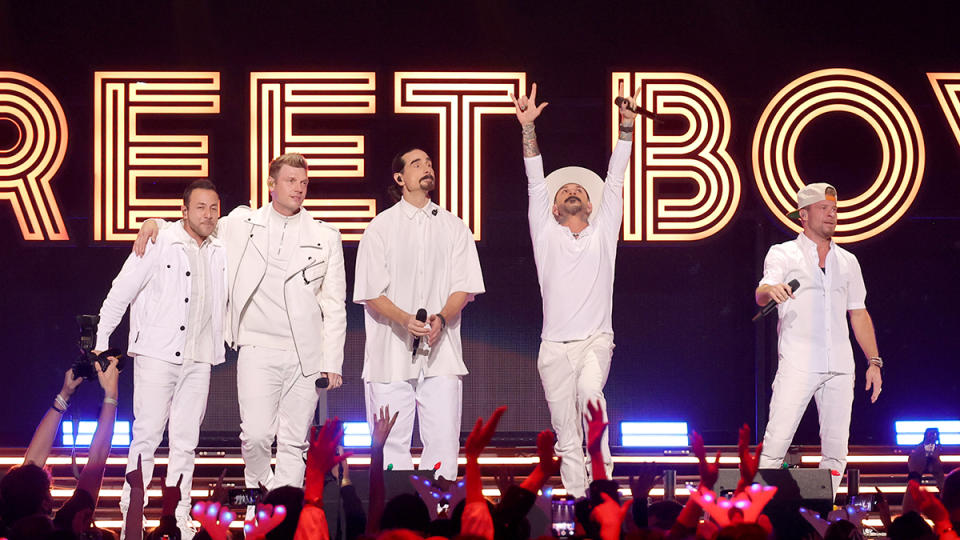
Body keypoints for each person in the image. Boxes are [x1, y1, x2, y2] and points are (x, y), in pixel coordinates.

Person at [135, 153, 347, 493]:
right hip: (256, 345)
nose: (299, 189)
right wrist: (155, 223)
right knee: (257, 436)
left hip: (306, 353)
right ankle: (261, 501)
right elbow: (196, 223)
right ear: (271, 184)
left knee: (294, 442)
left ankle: (284, 516)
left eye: (304, 182)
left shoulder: (326, 235)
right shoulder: (242, 223)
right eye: (291, 181)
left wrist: (331, 360)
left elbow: (335, 304)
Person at [510, 82, 637, 497]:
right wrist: (528, 128)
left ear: (590, 203)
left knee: (590, 397)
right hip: (553, 348)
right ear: (552, 206)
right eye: (564, 190)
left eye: (578, 190)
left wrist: (626, 127)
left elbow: (615, 179)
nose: (571, 192)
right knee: (566, 433)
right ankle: (582, 504)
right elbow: (534, 181)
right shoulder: (545, 234)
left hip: (595, 341)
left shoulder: (604, 234)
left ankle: (602, 491)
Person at [99, 179, 226, 538]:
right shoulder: (160, 240)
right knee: (146, 437)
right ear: (183, 211)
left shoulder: (221, 248)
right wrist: (100, 342)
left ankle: (178, 518)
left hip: (200, 358)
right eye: (200, 207)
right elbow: (121, 291)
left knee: (186, 441)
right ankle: (131, 515)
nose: (208, 214)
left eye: (214, 207)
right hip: (157, 354)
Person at [353, 147, 485, 481]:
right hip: (390, 355)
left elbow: (464, 286)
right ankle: (393, 518)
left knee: (442, 442)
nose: (426, 167)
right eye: (416, 164)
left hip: (441, 354)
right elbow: (370, 292)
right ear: (399, 178)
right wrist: (404, 319)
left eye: (429, 163)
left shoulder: (454, 226)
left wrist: (440, 317)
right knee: (390, 445)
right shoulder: (380, 227)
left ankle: (438, 516)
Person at [755, 182, 883, 495]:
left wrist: (874, 361)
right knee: (776, 443)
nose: (831, 215)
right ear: (804, 214)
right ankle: (756, 516)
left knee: (837, 451)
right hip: (798, 363)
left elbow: (859, 313)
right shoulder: (783, 253)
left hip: (840, 365)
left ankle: (818, 513)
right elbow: (763, 291)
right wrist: (770, 290)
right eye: (824, 209)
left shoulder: (848, 261)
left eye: (834, 209)